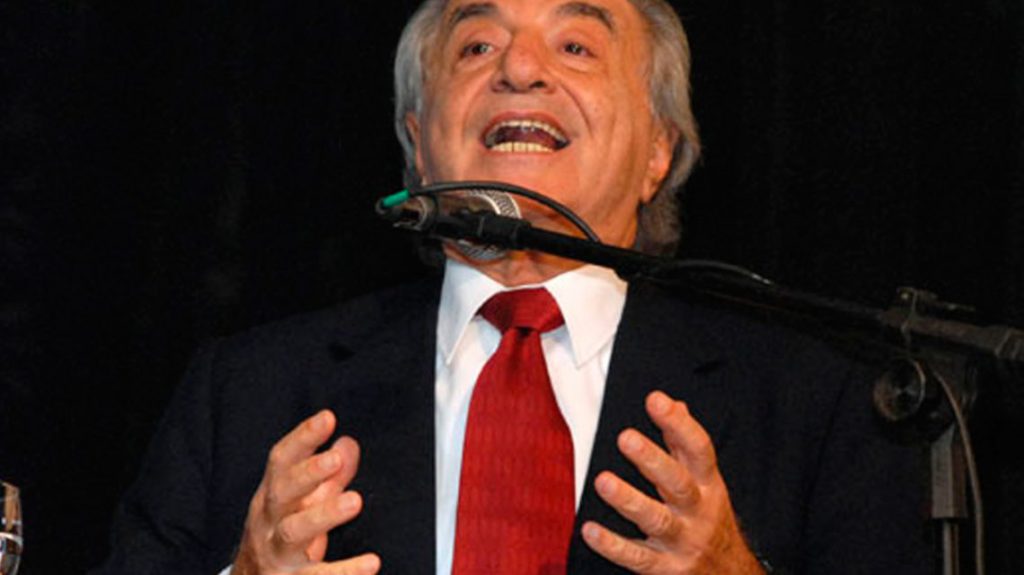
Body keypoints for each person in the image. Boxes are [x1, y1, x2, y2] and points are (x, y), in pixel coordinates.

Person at [94, 1, 935, 574]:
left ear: (657, 151)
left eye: (576, 45)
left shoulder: (819, 407)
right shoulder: (246, 392)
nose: (520, 68)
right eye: (476, 45)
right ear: (419, 144)